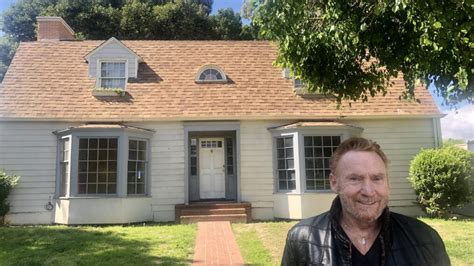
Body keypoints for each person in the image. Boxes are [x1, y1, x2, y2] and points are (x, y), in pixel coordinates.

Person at [281, 137, 450, 265]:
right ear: (334, 183)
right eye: (355, 179)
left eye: (377, 178)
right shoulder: (302, 239)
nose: (368, 191)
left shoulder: (424, 238)